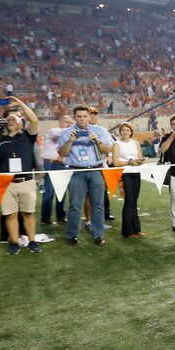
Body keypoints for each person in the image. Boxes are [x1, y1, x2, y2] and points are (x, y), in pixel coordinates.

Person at [0, 97, 42, 254]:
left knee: (28, 213)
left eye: (14, 118)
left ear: (21, 122)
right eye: (8, 119)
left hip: (26, 181)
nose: (10, 120)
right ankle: (14, 243)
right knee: (10, 215)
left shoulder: (27, 137)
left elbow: (34, 120)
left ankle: (32, 241)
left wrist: (19, 103)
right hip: (5, 182)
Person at [58, 104, 114, 246]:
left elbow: (107, 150)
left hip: (96, 170)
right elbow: (61, 154)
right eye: (79, 116)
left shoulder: (100, 131)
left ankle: (98, 235)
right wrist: (70, 141)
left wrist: (96, 139)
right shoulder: (66, 133)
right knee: (75, 205)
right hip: (76, 171)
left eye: (84, 116)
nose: (82, 119)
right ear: (74, 117)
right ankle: (72, 235)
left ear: (89, 117)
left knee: (98, 205)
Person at [111, 122, 145, 238]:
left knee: (134, 201)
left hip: (136, 174)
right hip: (125, 174)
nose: (125, 132)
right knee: (129, 200)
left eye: (127, 130)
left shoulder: (135, 143)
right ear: (120, 132)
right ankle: (128, 231)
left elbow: (139, 158)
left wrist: (140, 161)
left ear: (131, 132)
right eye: (123, 130)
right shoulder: (116, 144)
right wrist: (128, 162)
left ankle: (137, 229)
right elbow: (115, 163)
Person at [40, 114, 71, 225]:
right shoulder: (54, 130)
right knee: (49, 192)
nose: (69, 125)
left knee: (61, 191)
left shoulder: (68, 136)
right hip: (51, 163)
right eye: (67, 122)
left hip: (61, 164)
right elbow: (57, 135)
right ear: (61, 122)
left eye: (70, 123)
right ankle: (45, 217)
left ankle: (61, 216)